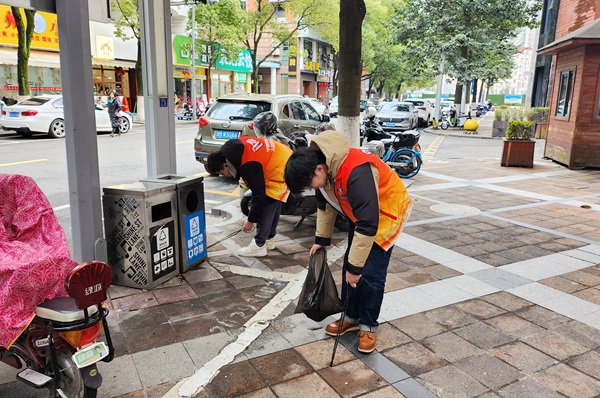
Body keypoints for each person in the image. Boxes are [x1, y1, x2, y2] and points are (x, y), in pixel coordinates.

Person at [284, 130, 412, 354]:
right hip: (361, 213)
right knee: (351, 268)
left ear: (319, 170)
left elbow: (368, 223)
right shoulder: (324, 168)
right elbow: (324, 207)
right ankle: (351, 317)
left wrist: (356, 268)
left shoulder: (356, 170)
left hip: (385, 213)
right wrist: (321, 240)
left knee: (370, 274)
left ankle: (368, 325)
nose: (312, 189)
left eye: (310, 184)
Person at [206, 117, 292, 257]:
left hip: (280, 166)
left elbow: (259, 195)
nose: (225, 175)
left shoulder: (248, 165)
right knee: (275, 204)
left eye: (222, 172)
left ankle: (258, 245)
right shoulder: (231, 148)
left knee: (268, 204)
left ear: (225, 165)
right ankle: (268, 238)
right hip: (283, 155)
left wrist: (250, 221)